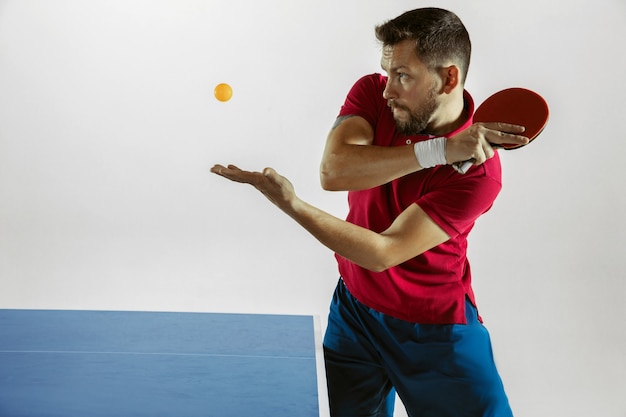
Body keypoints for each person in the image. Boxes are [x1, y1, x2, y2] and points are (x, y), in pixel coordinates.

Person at [211, 7, 527, 417]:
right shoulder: (373, 97)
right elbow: (335, 170)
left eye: (404, 76)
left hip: (434, 331)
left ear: (448, 78)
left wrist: (291, 205)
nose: (388, 89)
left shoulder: (481, 174)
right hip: (354, 314)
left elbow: (384, 252)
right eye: (388, 71)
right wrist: (440, 151)